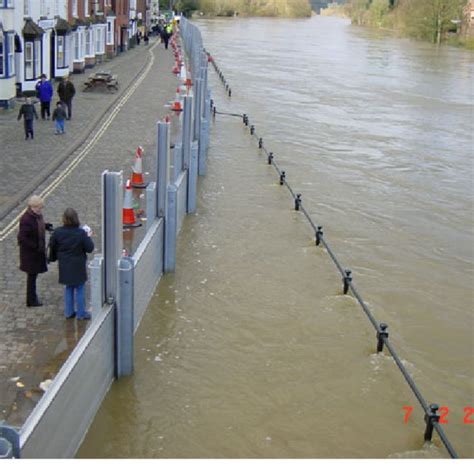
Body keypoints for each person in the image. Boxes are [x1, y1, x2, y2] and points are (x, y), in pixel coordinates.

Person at [48, 208, 94, 320]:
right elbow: (90, 248)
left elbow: (52, 246)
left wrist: (52, 258)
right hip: (78, 264)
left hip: (64, 264)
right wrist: (88, 236)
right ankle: (81, 314)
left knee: (68, 288)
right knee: (80, 288)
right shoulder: (81, 233)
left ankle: (69, 312)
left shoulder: (58, 232)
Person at [17, 195, 53, 307]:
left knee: (33, 276)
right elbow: (22, 238)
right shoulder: (26, 219)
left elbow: (38, 225)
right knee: (31, 277)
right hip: (30, 255)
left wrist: (46, 226)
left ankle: (32, 298)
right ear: (32, 206)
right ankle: (31, 300)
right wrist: (34, 246)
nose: (40, 209)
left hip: (35, 253)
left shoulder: (36, 216)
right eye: (39, 207)